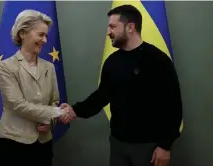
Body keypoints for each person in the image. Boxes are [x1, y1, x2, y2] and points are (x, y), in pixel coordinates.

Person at [60, 5, 183, 166]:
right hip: (118, 145)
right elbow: (101, 96)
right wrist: (74, 110)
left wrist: (165, 146)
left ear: (130, 27)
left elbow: (173, 106)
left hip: (149, 148)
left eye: (112, 26)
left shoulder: (158, 60)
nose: (108, 32)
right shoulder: (112, 62)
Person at [0, 10, 66, 166]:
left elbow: (54, 100)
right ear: (23, 33)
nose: (45, 40)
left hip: (43, 144)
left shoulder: (49, 67)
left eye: (46, 35)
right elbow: (17, 105)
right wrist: (56, 112)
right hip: (12, 144)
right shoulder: (6, 67)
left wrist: (50, 122)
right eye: (41, 35)